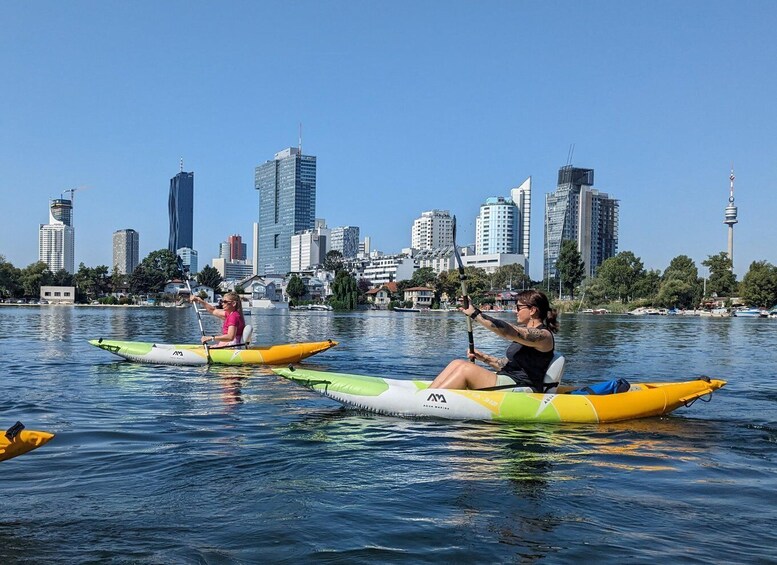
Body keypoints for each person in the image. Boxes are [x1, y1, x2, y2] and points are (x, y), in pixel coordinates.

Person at [429, 289, 559, 391]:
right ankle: (427, 396)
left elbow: (508, 331)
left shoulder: (543, 336)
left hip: (523, 387)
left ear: (532, 310)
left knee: (465, 369)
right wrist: (484, 357)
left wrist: (475, 314)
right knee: (457, 363)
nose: (515, 311)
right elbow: (509, 365)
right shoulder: (525, 335)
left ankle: (426, 401)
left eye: (518, 307)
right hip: (510, 380)